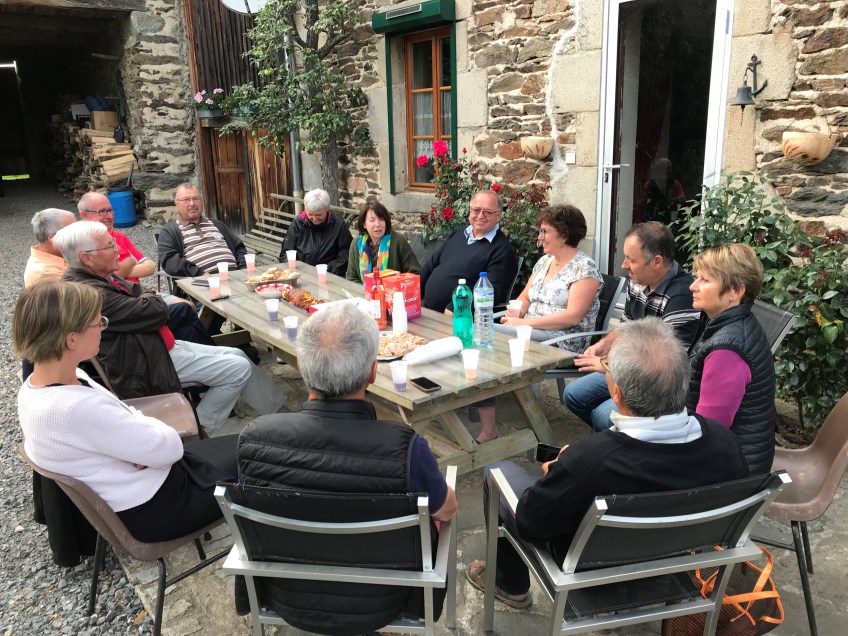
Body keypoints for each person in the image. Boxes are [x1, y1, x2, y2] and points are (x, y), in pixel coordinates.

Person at [466, 318, 749, 609]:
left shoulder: (590, 461)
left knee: (495, 473)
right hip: (669, 566)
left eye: (608, 369)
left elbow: (530, 523)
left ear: (617, 394)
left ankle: (510, 584)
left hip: (591, 575)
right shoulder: (725, 444)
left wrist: (558, 476)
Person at [238, 302, 457, 634]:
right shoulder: (405, 448)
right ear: (372, 372)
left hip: (287, 595)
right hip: (385, 600)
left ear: (301, 366)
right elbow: (447, 509)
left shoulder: (254, 439)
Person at [14, 281, 239, 543]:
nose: (103, 328)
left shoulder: (39, 387)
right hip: (160, 506)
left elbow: (126, 415)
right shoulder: (75, 407)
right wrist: (143, 439)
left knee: (254, 445)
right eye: (98, 323)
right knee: (264, 459)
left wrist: (137, 441)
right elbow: (170, 448)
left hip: (145, 484)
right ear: (72, 339)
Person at [55, 221, 286, 429]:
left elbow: (144, 293)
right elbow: (155, 310)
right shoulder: (90, 293)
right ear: (87, 258)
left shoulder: (100, 276)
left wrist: (148, 300)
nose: (117, 250)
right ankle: (198, 426)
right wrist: (149, 301)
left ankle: (281, 414)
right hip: (144, 363)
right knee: (238, 369)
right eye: (109, 246)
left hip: (159, 345)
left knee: (237, 354)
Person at [563, 221, 701, 431]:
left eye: (631, 259)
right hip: (631, 367)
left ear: (656, 262)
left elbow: (667, 365)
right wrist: (605, 344)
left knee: (603, 415)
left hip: (658, 384)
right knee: (573, 395)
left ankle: (625, 441)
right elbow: (627, 328)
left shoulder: (682, 296)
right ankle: (619, 438)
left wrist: (609, 366)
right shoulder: (638, 280)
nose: (623, 265)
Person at [79, 191, 214, 346]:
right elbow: (109, 275)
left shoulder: (120, 237)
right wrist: (129, 262)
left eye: (110, 210)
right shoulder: (82, 244)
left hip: (139, 293)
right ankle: (213, 350)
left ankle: (199, 350)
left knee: (187, 324)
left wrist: (121, 270)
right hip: (126, 304)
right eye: (102, 211)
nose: (109, 216)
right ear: (84, 215)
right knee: (185, 309)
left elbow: (149, 267)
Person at [688, 243, 775, 475]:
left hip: (731, 472)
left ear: (735, 291)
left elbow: (708, 432)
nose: (693, 286)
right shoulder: (735, 324)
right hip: (738, 456)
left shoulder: (727, 350)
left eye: (704, 280)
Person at [495, 204, 602, 351]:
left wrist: (523, 324)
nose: (540, 237)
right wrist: (515, 312)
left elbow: (572, 317)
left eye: (544, 231)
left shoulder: (584, 268)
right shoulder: (544, 261)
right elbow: (526, 297)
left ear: (564, 235)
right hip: (529, 330)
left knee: (487, 331)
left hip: (561, 340)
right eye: (540, 231)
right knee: (485, 331)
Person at [420, 188, 518, 314]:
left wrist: (456, 308)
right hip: (425, 309)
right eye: (476, 210)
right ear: (470, 211)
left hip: (457, 317)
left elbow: (493, 292)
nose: (480, 216)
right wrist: (414, 294)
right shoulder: (458, 235)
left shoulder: (502, 250)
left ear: (498, 215)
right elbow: (431, 265)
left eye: (487, 212)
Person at [157, 183, 247, 278]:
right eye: (186, 200)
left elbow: (238, 247)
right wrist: (199, 274)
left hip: (236, 277)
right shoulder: (170, 231)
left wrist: (243, 269)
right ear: (177, 204)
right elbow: (170, 261)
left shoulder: (217, 224)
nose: (192, 204)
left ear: (202, 201)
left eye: (196, 199)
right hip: (202, 282)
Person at [280, 188, 352, 276]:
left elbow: (345, 256)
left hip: (328, 275)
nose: (314, 219)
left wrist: (325, 270)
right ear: (305, 210)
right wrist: (295, 270)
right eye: (310, 214)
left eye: (319, 215)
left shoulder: (339, 226)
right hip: (301, 274)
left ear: (327, 209)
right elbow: (286, 252)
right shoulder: (298, 224)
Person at [345, 199, 420, 282]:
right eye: (372, 220)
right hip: (363, 290)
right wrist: (368, 289)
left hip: (393, 289)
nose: (377, 224)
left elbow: (414, 273)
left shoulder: (398, 241)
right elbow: (352, 279)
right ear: (364, 224)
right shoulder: (356, 244)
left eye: (381, 219)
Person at [23, 208, 76, 287]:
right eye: (74, 233)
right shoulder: (47, 273)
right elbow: (89, 291)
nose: (80, 235)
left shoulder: (58, 254)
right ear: (53, 239)